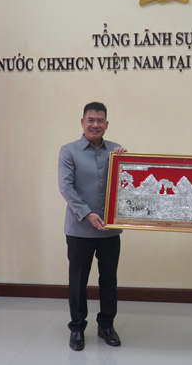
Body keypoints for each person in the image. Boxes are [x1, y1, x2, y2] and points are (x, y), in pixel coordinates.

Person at [58, 102, 126, 351]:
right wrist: (87, 214)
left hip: (110, 229)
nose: (95, 125)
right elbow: (66, 187)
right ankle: (77, 328)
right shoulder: (68, 151)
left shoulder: (116, 151)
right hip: (79, 230)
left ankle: (106, 325)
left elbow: (127, 187)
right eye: (91, 120)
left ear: (106, 124)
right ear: (82, 122)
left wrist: (127, 164)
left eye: (100, 121)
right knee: (78, 280)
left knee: (109, 279)